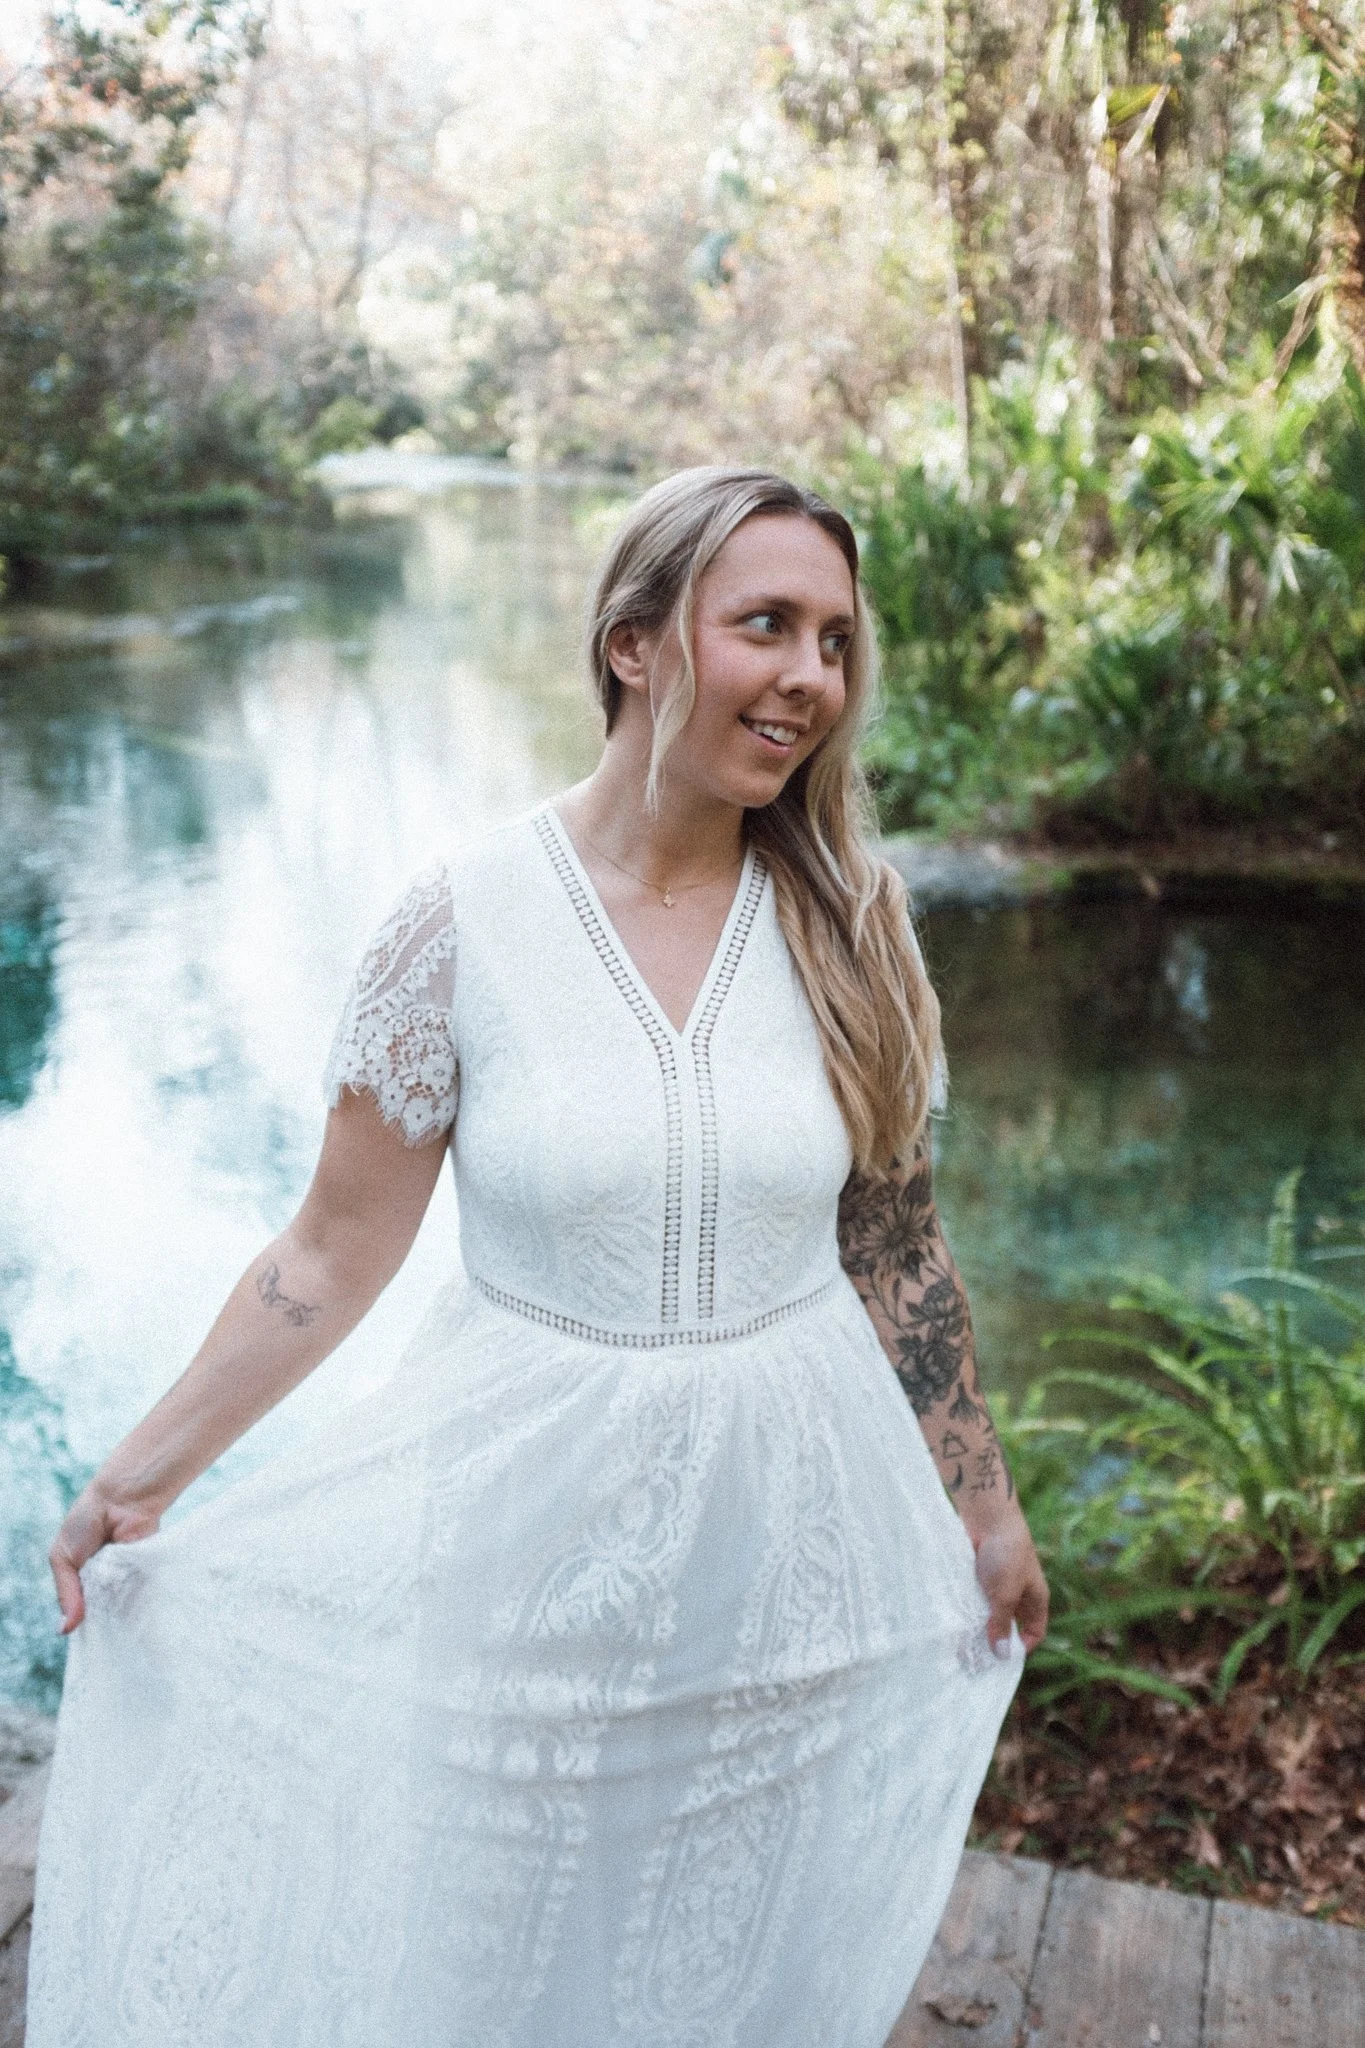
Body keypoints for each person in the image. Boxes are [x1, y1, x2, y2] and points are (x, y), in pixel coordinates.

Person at [28, 465, 1047, 2048]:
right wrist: (141, 1476)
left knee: (723, 1953)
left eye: (835, 641)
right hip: (521, 1545)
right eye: (765, 625)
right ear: (636, 644)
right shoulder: (462, 923)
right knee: (495, 1950)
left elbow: (898, 1251)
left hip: (790, 1542)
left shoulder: (857, 922)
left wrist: (984, 1510)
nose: (809, 679)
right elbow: (328, 1255)